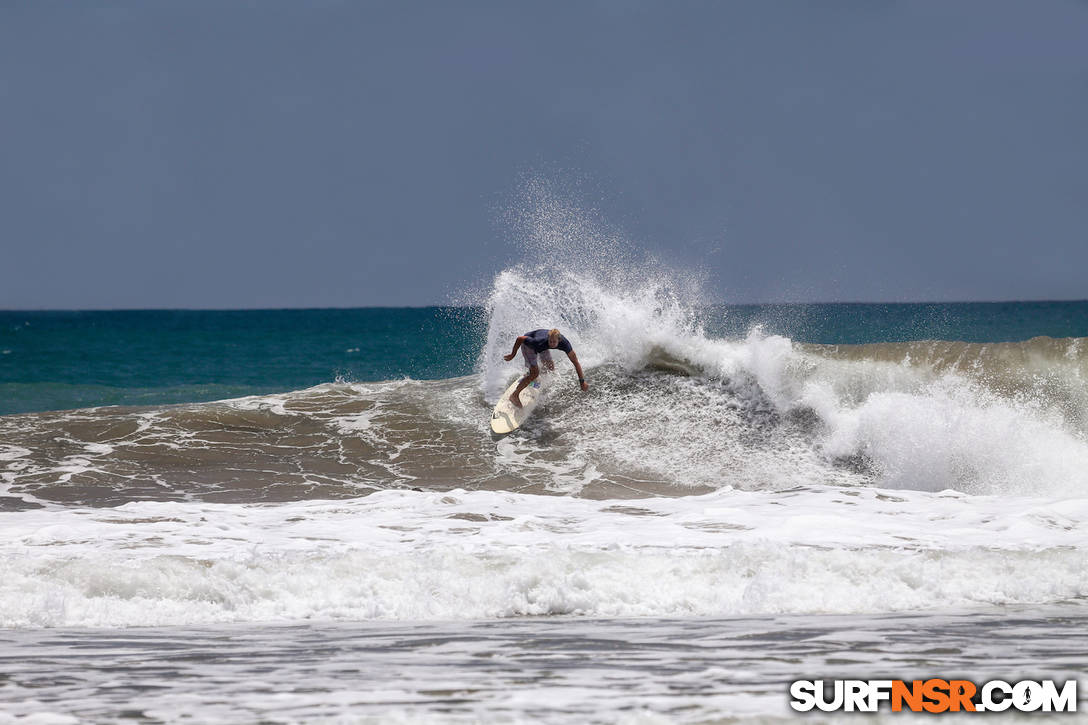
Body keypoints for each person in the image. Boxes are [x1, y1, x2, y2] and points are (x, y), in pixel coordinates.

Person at [503, 328, 589, 408]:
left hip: (542, 345)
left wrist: (582, 381)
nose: (551, 344)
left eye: (554, 342)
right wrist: (512, 354)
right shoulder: (538, 342)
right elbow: (520, 339)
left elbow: (576, 363)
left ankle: (531, 376)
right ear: (548, 339)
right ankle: (514, 395)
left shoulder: (565, 344)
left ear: (559, 340)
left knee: (550, 367)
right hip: (528, 346)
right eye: (550, 341)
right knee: (535, 373)